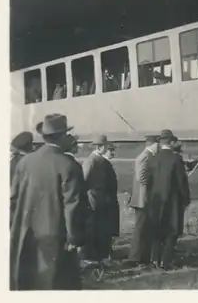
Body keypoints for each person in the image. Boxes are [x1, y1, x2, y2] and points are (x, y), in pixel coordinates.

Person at [10, 114, 88, 290]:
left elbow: (13, 198)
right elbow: (73, 205)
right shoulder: (68, 164)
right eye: (67, 133)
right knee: (57, 284)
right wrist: (75, 238)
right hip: (56, 237)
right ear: (61, 136)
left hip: (26, 233)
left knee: (28, 281)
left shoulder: (25, 162)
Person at [149, 129, 191, 270]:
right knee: (172, 231)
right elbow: (181, 182)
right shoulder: (175, 159)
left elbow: (149, 180)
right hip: (173, 201)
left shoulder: (153, 158)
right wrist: (186, 198)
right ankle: (166, 261)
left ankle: (155, 259)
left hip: (156, 200)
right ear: (171, 142)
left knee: (156, 230)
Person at [81, 135, 119, 265]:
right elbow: (84, 181)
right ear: (99, 147)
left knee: (102, 229)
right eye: (107, 147)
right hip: (94, 201)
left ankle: (101, 255)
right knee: (94, 230)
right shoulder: (91, 161)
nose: (108, 149)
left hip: (102, 201)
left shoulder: (100, 160)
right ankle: (91, 257)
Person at [127, 135, 160, 266]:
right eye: (157, 144)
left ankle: (142, 256)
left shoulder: (147, 155)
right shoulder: (145, 156)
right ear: (152, 144)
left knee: (144, 228)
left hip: (144, 198)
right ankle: (134, 258)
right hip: (142, 199)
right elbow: (141, 177)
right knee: (140, 229)